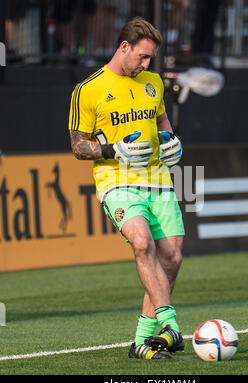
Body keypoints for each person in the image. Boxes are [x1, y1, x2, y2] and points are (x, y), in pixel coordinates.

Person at [68, 16, 185, 360]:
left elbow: (161, 119)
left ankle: (140, 342)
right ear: (124, 47)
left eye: (150, 59)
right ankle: (171, 324)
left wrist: (172, 140)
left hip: (159, 180)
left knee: (173, 258)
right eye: (143, 57)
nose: (146, 64)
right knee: (141, 241)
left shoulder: (152, 83)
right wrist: (111, 150)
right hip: (117, 182)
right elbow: (77, 145)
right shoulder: (88, 90)